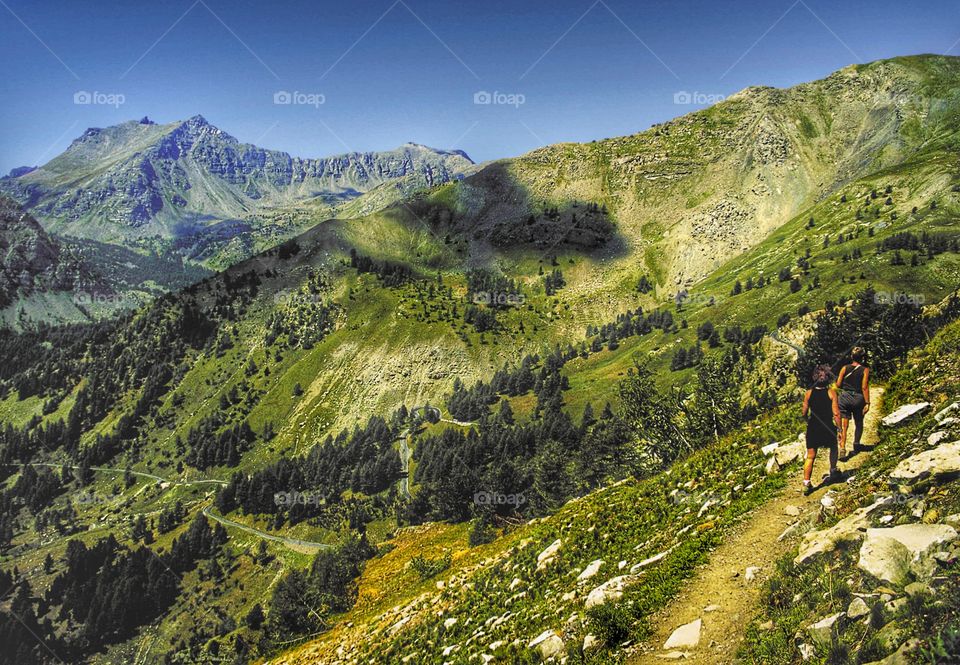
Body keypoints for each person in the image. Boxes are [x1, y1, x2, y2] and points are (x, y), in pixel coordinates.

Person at [802, 364, 841, 496]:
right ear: (828, 378)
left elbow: (804, 412)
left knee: (810, 456)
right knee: (833, 447)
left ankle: (806, 483)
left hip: (813, 427)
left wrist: (807, 421)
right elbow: (836, 413)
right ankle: (833, 470)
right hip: (827, 426)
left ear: (815, 378)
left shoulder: (808, 393)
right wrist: (840, 429)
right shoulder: (831, 393)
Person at [836, 347, 871, 460]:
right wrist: (867, 402)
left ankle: (842, 448)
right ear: (862, 357)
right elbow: (864, 387)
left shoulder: (844, 368)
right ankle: (856, 444)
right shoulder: (865, 370)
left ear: (851, 357)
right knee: (859, 422)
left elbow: (838, 384)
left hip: (844, 398)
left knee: (844, 426)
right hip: (858, 399)